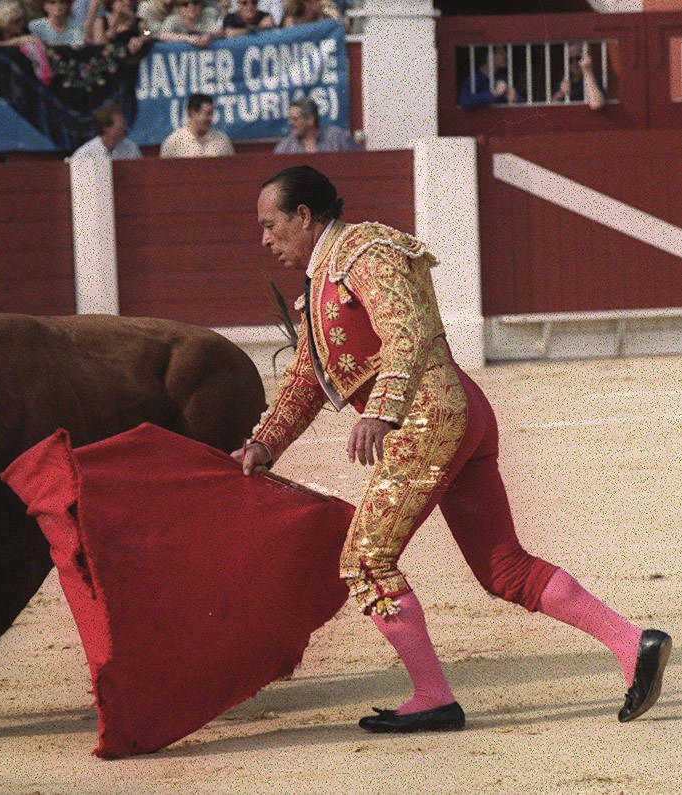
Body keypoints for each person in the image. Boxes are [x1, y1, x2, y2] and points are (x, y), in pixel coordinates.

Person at [234, 165, 672, 733]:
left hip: (428, 417)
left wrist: (382, 410)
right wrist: (266, 444)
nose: (265, 239)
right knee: (504, 569)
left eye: (271, 226)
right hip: (456, 415)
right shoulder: (326, 278)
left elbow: (408, 332)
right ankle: (632, 642)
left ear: (303, 216)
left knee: (368, 559)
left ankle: (433, 696)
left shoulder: (364, 253)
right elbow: (306, 381)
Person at [273, 96, 360, 153]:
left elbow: (361, 161)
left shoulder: (338, 138)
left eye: (295, 119)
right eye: (290, 119)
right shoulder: (285, 147)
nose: (290, 123)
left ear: (310, 120)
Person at [159, 92, 233, 158]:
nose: (211, 118)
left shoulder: (222, 140)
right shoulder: (173, 142)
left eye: (212, 113)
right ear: (192, 113)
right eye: (207, 113)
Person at [71, 101, 141, 159]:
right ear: (106, 128)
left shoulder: (131, 148)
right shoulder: (85, 154)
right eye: (120, 127)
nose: (125, 128)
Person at [458, 44, 519, 110]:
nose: (505, 55)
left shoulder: (503, 78)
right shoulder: (474, 79)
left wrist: (514, 98)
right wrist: (495, 94)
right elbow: (465, 101)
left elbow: (522, 104)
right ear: (489, 56)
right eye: (501, 52)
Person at [552, 42, 605, 111]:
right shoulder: (563, 83)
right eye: (570, 60)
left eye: (578, 58)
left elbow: (596, 104)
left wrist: (587, 71)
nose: (574, 64)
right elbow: (549, 109)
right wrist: (560, 93)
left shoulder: (596, 80)